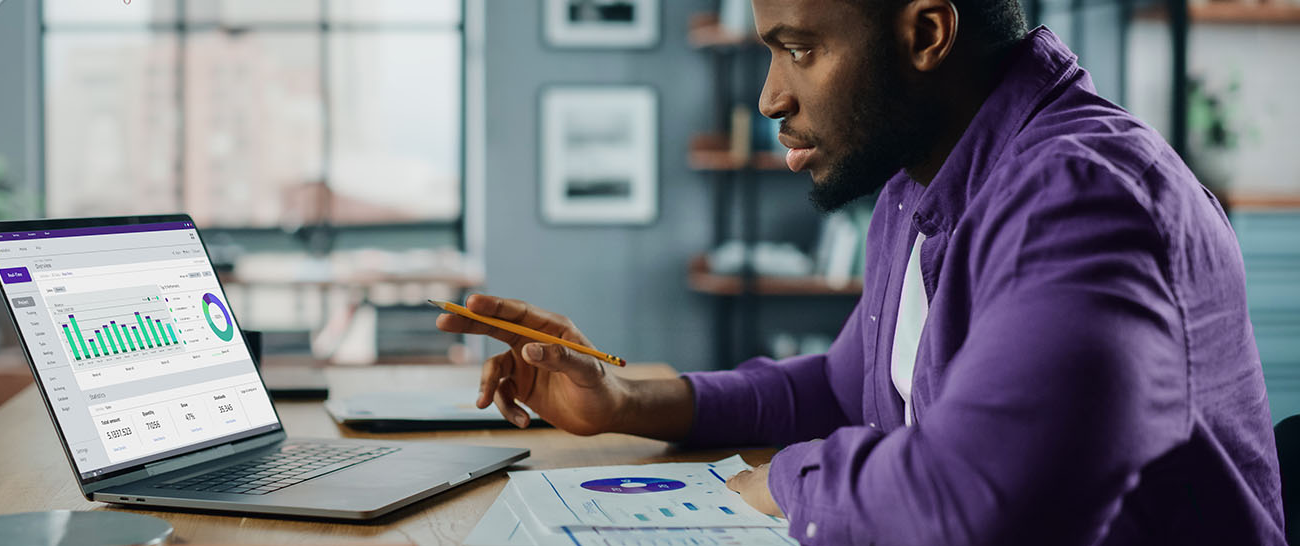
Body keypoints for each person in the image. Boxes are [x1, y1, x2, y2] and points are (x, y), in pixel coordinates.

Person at [437, 0, 1284, 543]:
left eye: (798, 49)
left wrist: (788, 482)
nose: (770, 97)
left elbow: (979, 499)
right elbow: (849, 388)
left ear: (925, 33)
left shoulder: (1083, 199)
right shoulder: (919, 182)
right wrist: (624, 401)